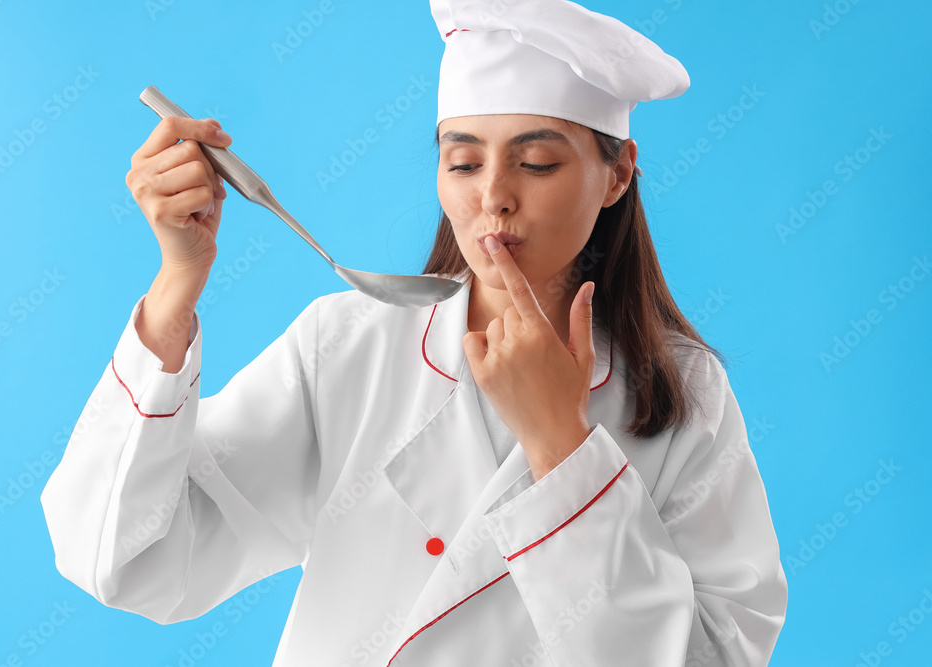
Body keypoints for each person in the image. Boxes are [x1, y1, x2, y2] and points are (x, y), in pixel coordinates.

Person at [41, 0, 788, 665]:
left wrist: (563, 448)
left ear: (618, 174)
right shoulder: (348, 346)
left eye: (536, 161)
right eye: (462, 161)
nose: (493, 196)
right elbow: (127, 556)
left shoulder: (684, 394)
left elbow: (716, 654)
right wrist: (177, 284)